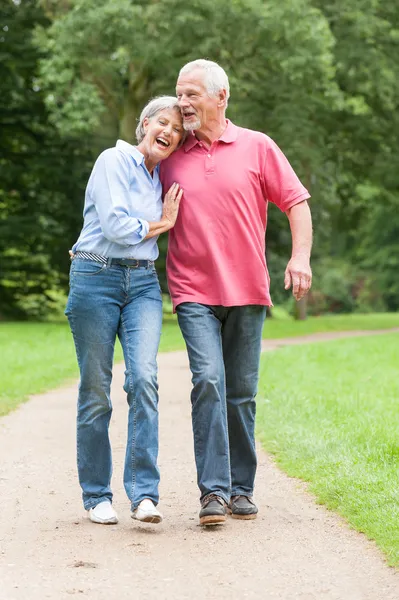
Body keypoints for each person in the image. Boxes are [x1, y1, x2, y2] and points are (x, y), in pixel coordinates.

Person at [160, 60, 313, 526]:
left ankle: (241, 489)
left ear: (220, 96)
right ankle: (213, 493)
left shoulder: (257, 146)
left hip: (247, 289)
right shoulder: (170, 153)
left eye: (191, 95)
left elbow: (296, 202)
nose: (182, 103)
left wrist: (300, 256)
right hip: (192, 290)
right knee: (208, 381)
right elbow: (130, 189)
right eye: (178, 95)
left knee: (241, 393)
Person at [65, 96, 184, 526]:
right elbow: (116, 229)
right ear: (145, 124)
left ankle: (144, 494)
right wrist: (162, 225)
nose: (169, 132)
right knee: (97, 389)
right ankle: (97, 495)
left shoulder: (160, 178)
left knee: (145, 379)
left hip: (144, 283)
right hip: (95, 278)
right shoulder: (112, 161)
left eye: (177, 130)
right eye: (163, 122)